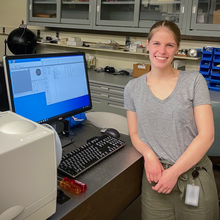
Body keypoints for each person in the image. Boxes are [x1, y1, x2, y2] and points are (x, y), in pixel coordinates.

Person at [124, 20, 219, 220]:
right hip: (155, 180)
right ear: (147, 44)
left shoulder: (193, 81)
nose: (162, 50)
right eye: (157, 43)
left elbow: (207, 136)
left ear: (177, 48)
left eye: (169, 45)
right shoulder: (132, 88)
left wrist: (174, 172)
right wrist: (149, 155)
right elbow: (134, 133)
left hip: (193, 177)